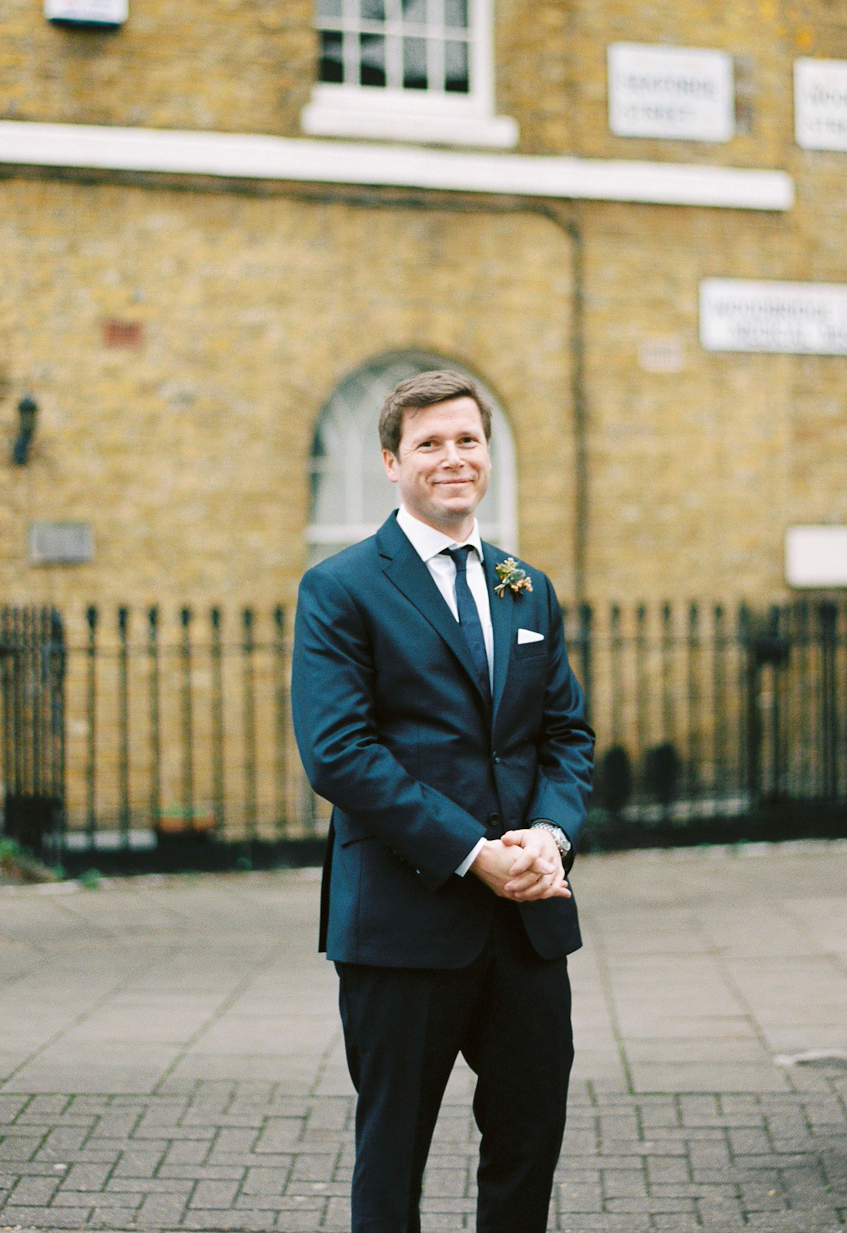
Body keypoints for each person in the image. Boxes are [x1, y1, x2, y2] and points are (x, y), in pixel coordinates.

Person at [291, 368, 594, 1233]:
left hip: (529, 921)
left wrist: (547, 837)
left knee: (529, 1140)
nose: (451, 458)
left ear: (487, 455)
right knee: (394, 1155)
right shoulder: (342, 587)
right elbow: (340, 753)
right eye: (429, 443)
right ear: (392, 462)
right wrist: (476, 853)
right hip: (403, 920)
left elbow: (565, 736)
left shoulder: (526, 586)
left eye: (467, 440)